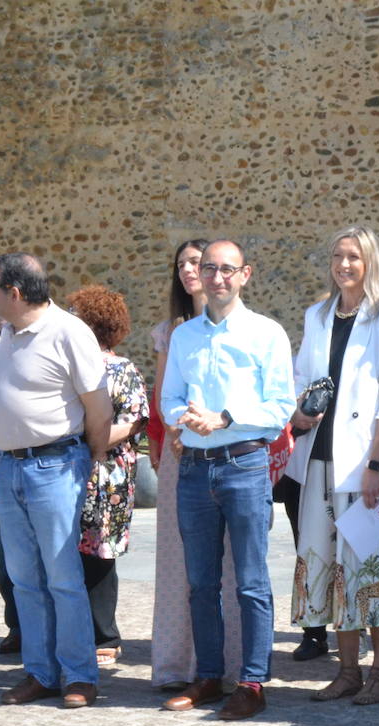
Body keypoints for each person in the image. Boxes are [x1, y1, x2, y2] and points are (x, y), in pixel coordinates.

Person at [160, 239, 296, 721]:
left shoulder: (267, 334)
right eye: (209, 268)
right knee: (201, 583)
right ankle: (209, 677)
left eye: (226, 269)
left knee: (252, 582)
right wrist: (187, 418)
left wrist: (224, 418)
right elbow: (169, 398)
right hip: (195, 470)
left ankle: (253, 682)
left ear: (245, 275)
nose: (216, 277)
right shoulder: (185, 337)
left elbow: (281, 406)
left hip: (244, 466)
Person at [288, 226, 379, 705]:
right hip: (319, 460)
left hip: (365, 462)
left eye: (354, 258)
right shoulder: (316, 316)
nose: (344, 265)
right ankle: (346, 670)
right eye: (338, 256)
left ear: (370, 264)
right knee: (332, 567)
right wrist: (298, 412)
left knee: (371, 566)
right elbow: (302, 377)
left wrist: (376, 463)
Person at [0, 254, 111, 709]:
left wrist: (89, 461)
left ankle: (79, 675)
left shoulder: (69, 332)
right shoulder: (6, 332)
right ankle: (40, 672)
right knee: (24, 580)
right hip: (10, 468)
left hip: (56, 466)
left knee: (62, 578)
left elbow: (99, 409)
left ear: (15, 294)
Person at [149, 239, 244, 691]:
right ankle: (177, 662)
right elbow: (162, 395)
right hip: (181, 449)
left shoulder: (244, 327)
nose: (189, 270)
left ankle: (230, 662)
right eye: (182, 264)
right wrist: (169, 434)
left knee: (226, 563)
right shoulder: (173, 331)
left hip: (230, 450)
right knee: (178, 562)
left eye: (197, 262)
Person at [69, 284, 148, 668]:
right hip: (65, 469)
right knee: (62, 554)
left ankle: (105, 635)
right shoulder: (64, 363)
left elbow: (133, 422)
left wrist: (88, 441)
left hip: (105, 475)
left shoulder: (122, 369)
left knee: (99, 554)